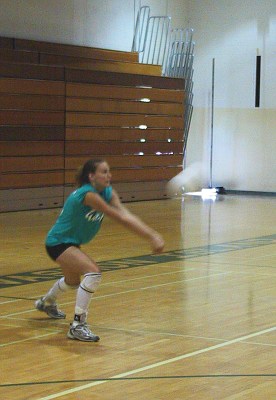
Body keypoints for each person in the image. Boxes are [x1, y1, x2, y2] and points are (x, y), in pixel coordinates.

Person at [35, 159, 165, 342]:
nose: (109, 175)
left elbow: (125, 213)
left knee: (72, 282)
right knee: (93, 273)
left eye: (109, 171)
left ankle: (46, 302)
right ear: (91, 176)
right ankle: (78, 326)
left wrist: (151, 233)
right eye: (104, 172)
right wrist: (151, 236)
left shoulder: (107, 193)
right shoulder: (88, 195)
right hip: (58, 243)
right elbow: (118, 217)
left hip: (70, 242)